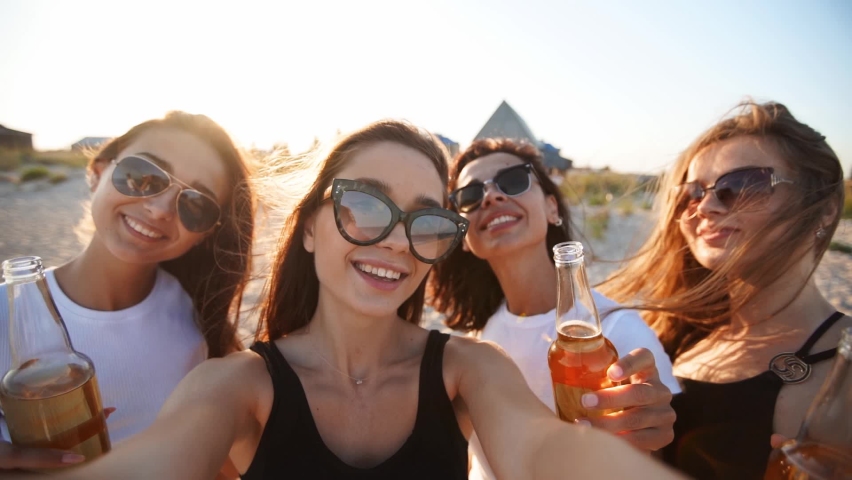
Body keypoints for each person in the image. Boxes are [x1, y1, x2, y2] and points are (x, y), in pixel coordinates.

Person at [11, 120, 682, 480]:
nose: (394, 240)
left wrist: (619, 452)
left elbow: (540, 452)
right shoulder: (234, 384)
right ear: (307, 227)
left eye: (425, 220)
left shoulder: (468, 371)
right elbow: (165, 457)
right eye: (365, 203)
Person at [599, 101, 850, 479]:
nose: (706, 207)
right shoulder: (668, 334)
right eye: (692, 194)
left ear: (825, 207)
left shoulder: (841, 368)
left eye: (742, 185)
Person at [0, 111, 256, 471]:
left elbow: (230, 460)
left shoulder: (204, 327)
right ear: (98, 171)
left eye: (196, 204)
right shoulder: (7, 315)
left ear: (207, 233)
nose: (159, 208)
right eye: (142, 176)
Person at [429, 138, 680, 480]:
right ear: (464, 239)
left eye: (513, 180)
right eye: (470, 197)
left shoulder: (619, 333)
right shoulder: (478, 338)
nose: (491, 196)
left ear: (552, 208)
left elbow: (661, 456)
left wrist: (648, 444)